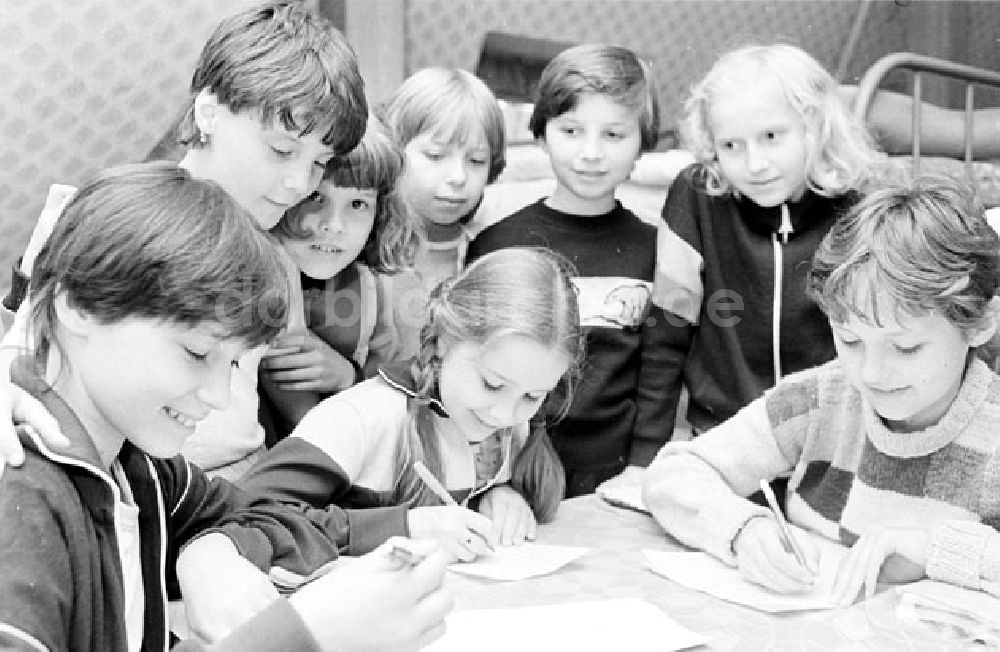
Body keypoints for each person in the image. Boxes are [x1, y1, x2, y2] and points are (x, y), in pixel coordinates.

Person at [0, 162, 451, 651]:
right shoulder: (21, 499)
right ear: (80, 308)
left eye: (233, 364)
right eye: (196, 353)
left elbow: (261, 510)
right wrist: (301, 637)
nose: (218, 396)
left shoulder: (142, 471)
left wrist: (209, 550)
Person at [0, 0, 369, 479]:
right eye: (282, 150)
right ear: (209, 113)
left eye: (319, 162)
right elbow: (23, 353)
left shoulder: (274, 248)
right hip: (145, 487)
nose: (302, 183)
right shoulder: (111, 218)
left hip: (236, 481)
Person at [643, 173, 1000, 605]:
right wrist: (743, 531)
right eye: (849, 340)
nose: (871, 372)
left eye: (905, 347)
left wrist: (935, 551)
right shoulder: (820, 399)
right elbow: (673, 474)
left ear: (981, 322)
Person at [234, 247, 583, 561]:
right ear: (446, 340)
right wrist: (403, 526)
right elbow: (246, 519)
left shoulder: (509, 421)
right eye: (491, 384)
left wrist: (502, 494)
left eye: (533, 397)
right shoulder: (361, 418)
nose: (505, 414)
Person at [466, 43, 673, 497]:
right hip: (512, 474)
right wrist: (493, 483)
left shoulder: (659, 250)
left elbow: (661, 371)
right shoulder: (498, 243)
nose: (591, 153)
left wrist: (642, 466)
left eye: (614, 135)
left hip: (620, 475)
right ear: (541, 134)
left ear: (644, 142)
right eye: (572, 130)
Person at [652, 44, 885, 442]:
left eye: (771, 137)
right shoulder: (695, 199)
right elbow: (668, 328)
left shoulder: (860, 205)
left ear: (813, 125)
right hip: (721, 436)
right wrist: (644, 454)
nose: (754, 163)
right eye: (731, 146)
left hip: (832, 440)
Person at [259, 113, 421, 441]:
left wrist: (350, 377)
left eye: (358, 204)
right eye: (315, 197)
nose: (334, 224)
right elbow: (305, 429)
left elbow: (411, 411)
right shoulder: (258, 270)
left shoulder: (385, 293)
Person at [370, 67, 506, 368]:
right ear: (393, 149)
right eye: (435, 155)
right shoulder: (361, 244)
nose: (458, 177)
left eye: (476, 161)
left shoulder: (486, 255)